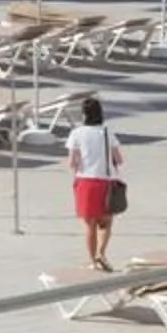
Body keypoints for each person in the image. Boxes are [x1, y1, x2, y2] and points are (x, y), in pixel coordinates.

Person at [68, 96, 126, 272]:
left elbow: (72, 162)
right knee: (106, 222)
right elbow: (119, 159)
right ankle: (102, 253)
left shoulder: (76, 133)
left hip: (85, 181)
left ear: (84, 114)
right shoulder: (108, 132)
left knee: (90, 225)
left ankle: (92, 261)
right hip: (105, 182)